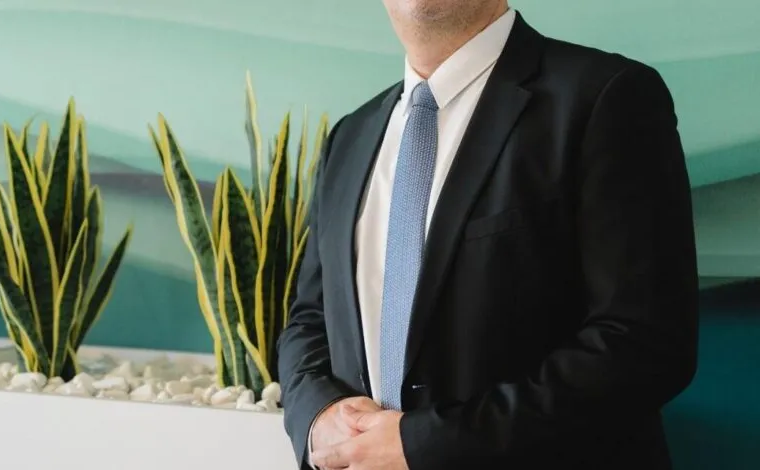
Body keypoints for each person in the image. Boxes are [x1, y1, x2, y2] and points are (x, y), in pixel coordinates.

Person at [276, 1, 700, 469]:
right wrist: (319, 416)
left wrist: (426, 444)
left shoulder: (606, 96)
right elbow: (309, 321)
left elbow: (643, 343)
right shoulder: (349, 138)